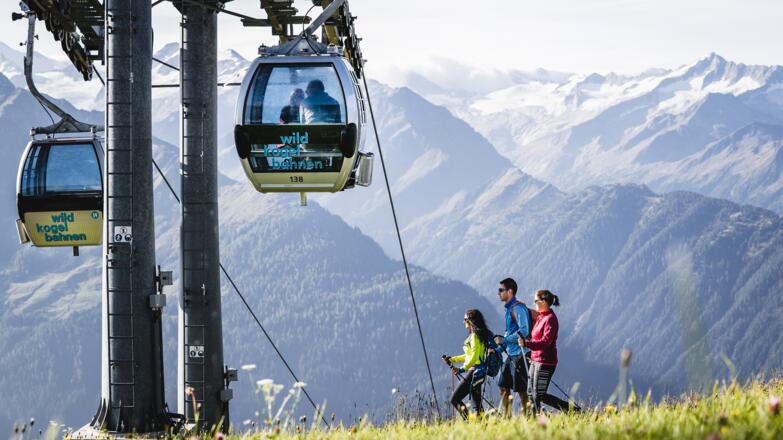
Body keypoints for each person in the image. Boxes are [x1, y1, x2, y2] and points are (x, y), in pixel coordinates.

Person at [518, 289, 574, 413]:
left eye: (535, 301)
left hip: (545, 362)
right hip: (535, 360)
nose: (534, 303)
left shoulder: (550, 319)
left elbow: (545, 342)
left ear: (543, 301)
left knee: (538, 395)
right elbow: (536, 338)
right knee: (531, 393)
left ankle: (573, 411)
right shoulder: (541, 317)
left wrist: (526, 344)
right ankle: (535, 419)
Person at [443, 309, 494, 420]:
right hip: (479, 371)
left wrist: (462, 369)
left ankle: (470, 423)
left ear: (471, 321)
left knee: (455, 399)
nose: (463, 322)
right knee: (477, 405)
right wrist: (453, 359)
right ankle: (481, 426)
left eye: (465, 319)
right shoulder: (479, 335)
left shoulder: (474, 336)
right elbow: (469, 356)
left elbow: (474, 356)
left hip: (474, 371)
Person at [494, 277, 533, 416]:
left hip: (521, 354)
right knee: (503, 386)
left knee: (522, 390)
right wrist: (498, 349)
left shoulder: (518, 308)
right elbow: (509, 332)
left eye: (501, 290)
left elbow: (524, 331)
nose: (498, 293)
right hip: (511, 354)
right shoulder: (509, 309)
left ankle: (528, 418)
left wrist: (504, 340)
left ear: (510, 291)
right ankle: (507, 417)